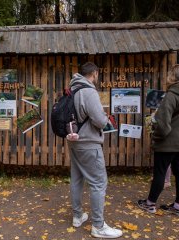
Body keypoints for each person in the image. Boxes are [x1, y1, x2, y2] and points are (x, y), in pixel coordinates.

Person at [67, 62, 123, 238]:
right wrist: (106, 120)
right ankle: (98, 226)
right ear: (95, 74)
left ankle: (77, 216)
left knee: (77, 179)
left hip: (74, 141)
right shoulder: (89, 91)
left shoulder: (71, 90)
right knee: (98, 183)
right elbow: (99, 121)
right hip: (89, 144)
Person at [138, 64, 179, 216]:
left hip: (168, 143)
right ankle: (177, 206)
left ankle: (150, 204)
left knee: (160, 173)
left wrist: (156, 136)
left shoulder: (171, 95)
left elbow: (162, 124)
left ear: (173, 77)